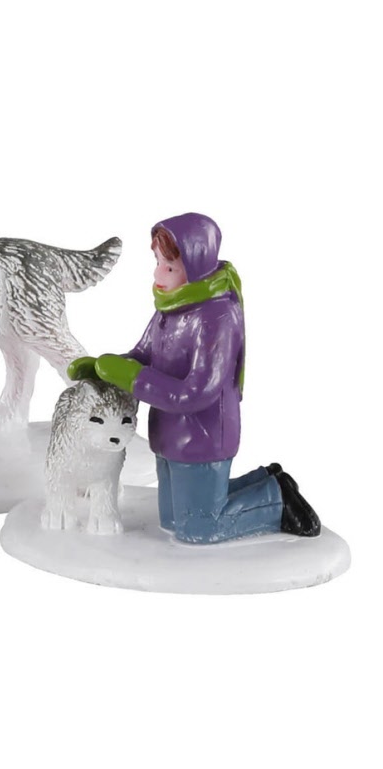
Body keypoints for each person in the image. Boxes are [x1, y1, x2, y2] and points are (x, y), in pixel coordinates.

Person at [69, 213, 320, 544]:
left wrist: (133, 378)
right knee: (173, 520)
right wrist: (105, 369)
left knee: (199, 527)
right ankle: (265, 481)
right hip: (167, 434)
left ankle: (276, 498)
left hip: (202, 437)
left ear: (196, 266)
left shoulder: (216, 317)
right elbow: (143, 355)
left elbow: (197, 392)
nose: (158, 273)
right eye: (158, 262)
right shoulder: (169, 307)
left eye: (170, 267)